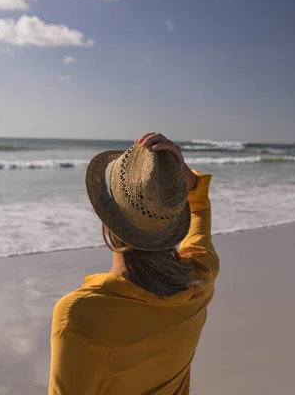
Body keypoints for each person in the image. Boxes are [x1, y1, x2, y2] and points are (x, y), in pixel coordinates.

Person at [48, 133, 219, 394]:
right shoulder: (199, 280)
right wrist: (188, 180)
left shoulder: (80, 316)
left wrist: (188, 182)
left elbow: (199, 211)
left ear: (105, 217)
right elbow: (200, 216)